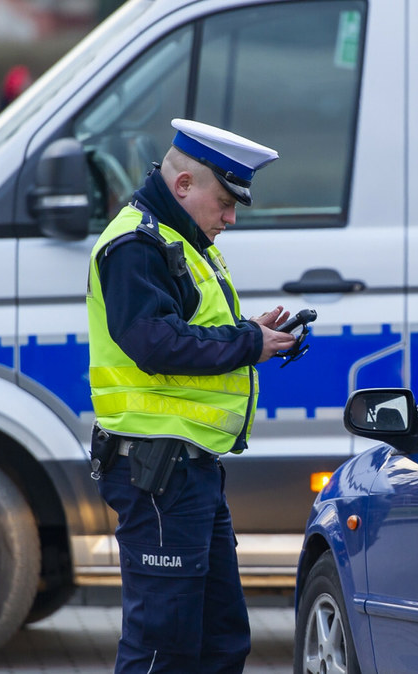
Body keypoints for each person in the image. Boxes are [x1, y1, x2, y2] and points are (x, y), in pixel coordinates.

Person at [86, 118, 297, 673]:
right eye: (225, 202)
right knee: (164, 646)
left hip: (188, 472)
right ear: (184, 187)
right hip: (159, 474)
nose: (230, 218)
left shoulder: (179, 238)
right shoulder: (137, 244)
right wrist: (249, 341)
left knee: (219, 641)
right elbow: (153, 342)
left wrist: (250, 332)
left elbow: (184, 328)